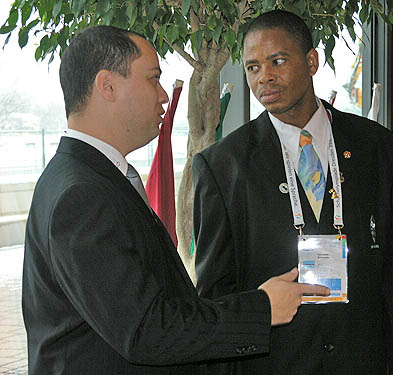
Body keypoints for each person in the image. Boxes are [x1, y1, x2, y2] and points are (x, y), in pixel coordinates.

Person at [22, 25, 329, 375]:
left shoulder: (95, 177)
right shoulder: (82, 194)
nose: (164, 96)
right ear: (107, 85)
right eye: (153, 79)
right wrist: (264, 308)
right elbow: (144, 330)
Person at [193, 9, 393, 374]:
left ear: (312, 61)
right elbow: (216, 298)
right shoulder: (223, 166)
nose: (264, 77)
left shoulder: (381, 150)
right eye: (253, 67)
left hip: (364, 362)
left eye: (278, 61)